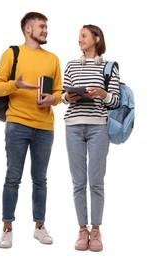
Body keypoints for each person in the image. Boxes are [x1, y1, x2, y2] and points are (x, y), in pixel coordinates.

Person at [0, 11, 62, 248]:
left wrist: (53, 99)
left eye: (46, 27)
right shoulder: (12, 54)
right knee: (13, 178)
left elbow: (60, 92)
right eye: (41, 26)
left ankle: (39, 227)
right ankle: (7, 228)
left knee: (40, 179)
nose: (45, 30)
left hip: (44, 127)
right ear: (28, 29)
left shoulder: (53, 59)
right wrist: (15, 84)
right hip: (17, 125)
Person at [61, 24, 120, 252]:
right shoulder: (71, 65)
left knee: (96, 182)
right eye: (78, 37)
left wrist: (103, 94)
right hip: (73, 126)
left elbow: (114, 101)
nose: (80, 40)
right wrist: (68, 96)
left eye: (83, 36)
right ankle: (82, 229)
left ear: (96, 38)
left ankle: (96, 230)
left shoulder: (109, 67)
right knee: (78, 183)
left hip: (98, 127)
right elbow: (63, 97)